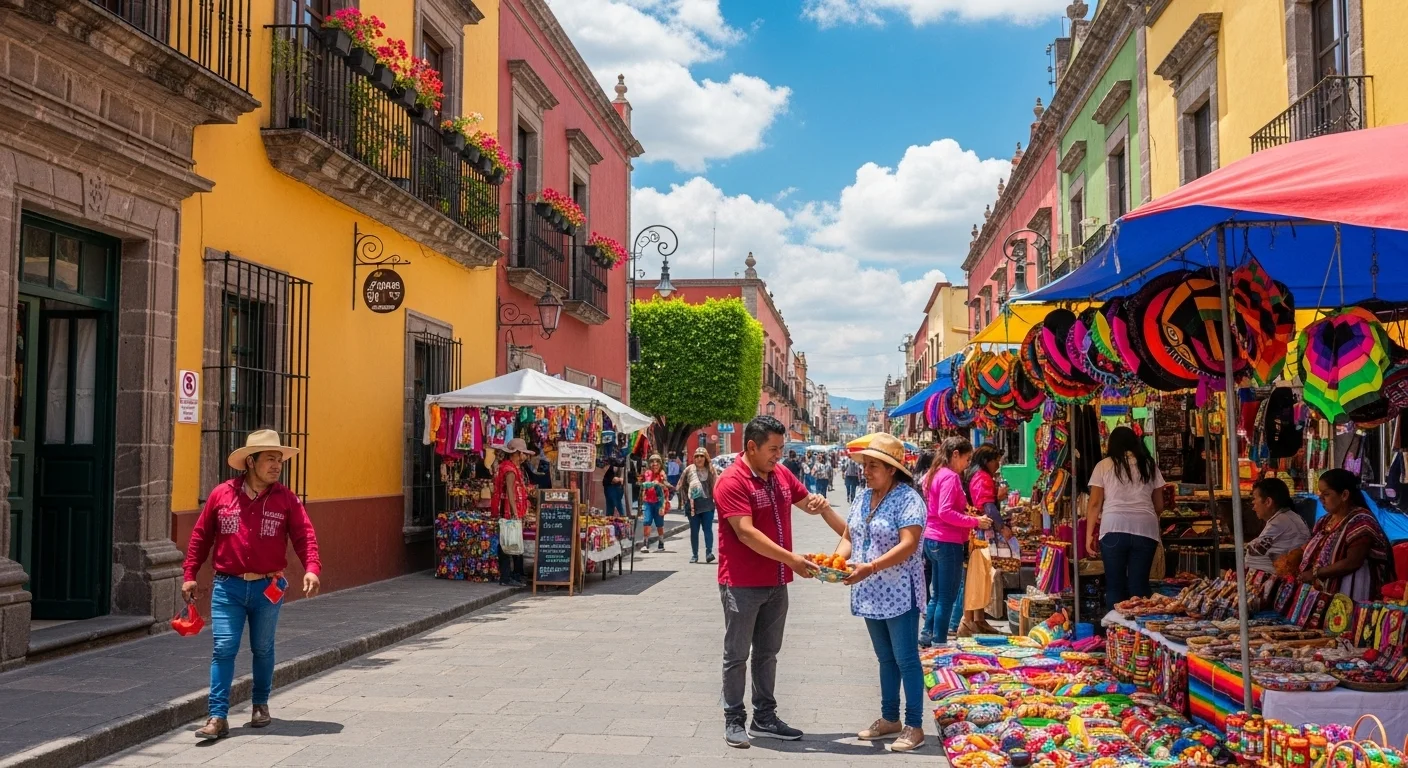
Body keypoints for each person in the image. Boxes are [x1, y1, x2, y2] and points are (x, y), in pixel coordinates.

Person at [181, 430, 322, 739]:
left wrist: (311, 568)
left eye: (279, 460)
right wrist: (190, 572)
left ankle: (260, 704)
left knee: (263, 647)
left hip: (268, 588)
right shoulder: (222, 494)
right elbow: (201, 536)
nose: (277, 465)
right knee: (223, 648)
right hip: (227, 587)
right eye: (270, 459)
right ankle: (217, 716)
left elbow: (304, 535)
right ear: (250, 461)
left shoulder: (286, 499)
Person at [715, 416, 843, 749]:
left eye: (782, 449)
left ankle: (765, 717)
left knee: (768, 653)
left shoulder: (780, 474)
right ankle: (734, 719)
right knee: (737, 654)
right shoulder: (732, 481)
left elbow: (805, 502)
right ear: (752, 447)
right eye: (773, 449)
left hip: (776, 581)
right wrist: (791, 559)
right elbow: (745, 532)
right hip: (742, 583)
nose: (778, 456)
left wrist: (817, 506)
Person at [834, 434, 929, 752]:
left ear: (891, 469)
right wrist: (836, 562)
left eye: (873, 465)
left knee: (906, 658)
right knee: (885, 658)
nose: (866, 470)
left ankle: (914, 724)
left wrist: (870, 566)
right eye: (865, 465)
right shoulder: (862, 497)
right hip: (870, 591)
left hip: (900, 590)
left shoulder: (909, 499)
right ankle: (890, 718)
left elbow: (909, 544)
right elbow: (850, 535)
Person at [1085, 426, 1167, 608]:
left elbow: (1094, 504)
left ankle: (1116, 632)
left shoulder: (1104, 465)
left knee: (1115, 586)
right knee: (1139, 586)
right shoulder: (1149, 465)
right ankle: (1139, 634)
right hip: (1146, 530)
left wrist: (1089, 534)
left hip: (1113, 528)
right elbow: (1159, 505)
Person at [921, 437, 990, 647]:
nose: (968, 464)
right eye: (967, 459)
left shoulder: (932, 475)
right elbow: (945, 511)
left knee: (937, 594)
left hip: (931, 539)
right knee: (947, 596)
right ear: (955, 454)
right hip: (947, 541)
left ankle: (927, 634)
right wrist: (975, 521)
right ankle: (939, 641)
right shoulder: (950, 477)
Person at [1298, 468, 1396, 599]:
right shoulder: (1324, 521)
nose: (1320, 498)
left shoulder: (1361, 521)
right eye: (1320, 493)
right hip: (1326, 594)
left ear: (1344, 495)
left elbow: (1353, 562)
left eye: (1326, 494)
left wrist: (1316, 573)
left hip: (1356, 593)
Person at [961, 444, 1006, 635]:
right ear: (987, 461)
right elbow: (986, 505)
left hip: (977, 531)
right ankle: (968, 621)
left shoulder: (978, 475)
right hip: (979, 533)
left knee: (980, 576)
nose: (998, 465)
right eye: (996, 461)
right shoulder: (981, 477)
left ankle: (978, 619)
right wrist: (1003, 528)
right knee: (977, 576)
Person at [1246, 478, 1311, 575]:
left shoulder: (1281, 521)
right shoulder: (1285, 517)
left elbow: (1256, 551)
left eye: (1254, 499)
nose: (1253, 504)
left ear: (1268, 501)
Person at [493, 438, 535, 587]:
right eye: (523, 453)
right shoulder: (509, 469)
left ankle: (517, 574)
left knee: (515, 542)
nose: (525, 456)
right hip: (509, 512)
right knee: (507, 543)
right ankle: (506, 577)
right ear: (516, 453)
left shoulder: (514, 467)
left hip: (513, 510)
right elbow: (510, 491)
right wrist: (514, 512)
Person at [678, 447, 718, 564]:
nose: (699, 458)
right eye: (696, 456)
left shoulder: (711, 470)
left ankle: (709, 552)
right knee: (694, 530)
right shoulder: (689, 470)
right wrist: (685, 500)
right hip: (693, 506)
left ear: (706, 458)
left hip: (708, 505)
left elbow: (717, 485)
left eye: (701, 456)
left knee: (707, 529)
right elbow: (681, 485)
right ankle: (695, 555)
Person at [640, 455, 671, 551]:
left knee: (659, 523)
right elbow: (643, 486)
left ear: (660, 464)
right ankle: (645, 543)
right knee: (646, 522)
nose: (655, 464)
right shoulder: (647, 473)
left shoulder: (662, 474)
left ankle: (661, 542)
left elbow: (666, 488)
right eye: (652, 462)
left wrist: (661, 484)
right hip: (648, 502)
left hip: (659, 502)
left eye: (657, 461)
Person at [602, 436, 628, 518]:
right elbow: (605, 472)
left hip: (618, 486)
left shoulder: (622, 456)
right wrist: (612, 479)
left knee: (617, 505)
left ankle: (621, 521)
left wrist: (621, 479)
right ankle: (618, 521)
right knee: (613, 505)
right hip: (610, 485)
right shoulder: (610, 455)